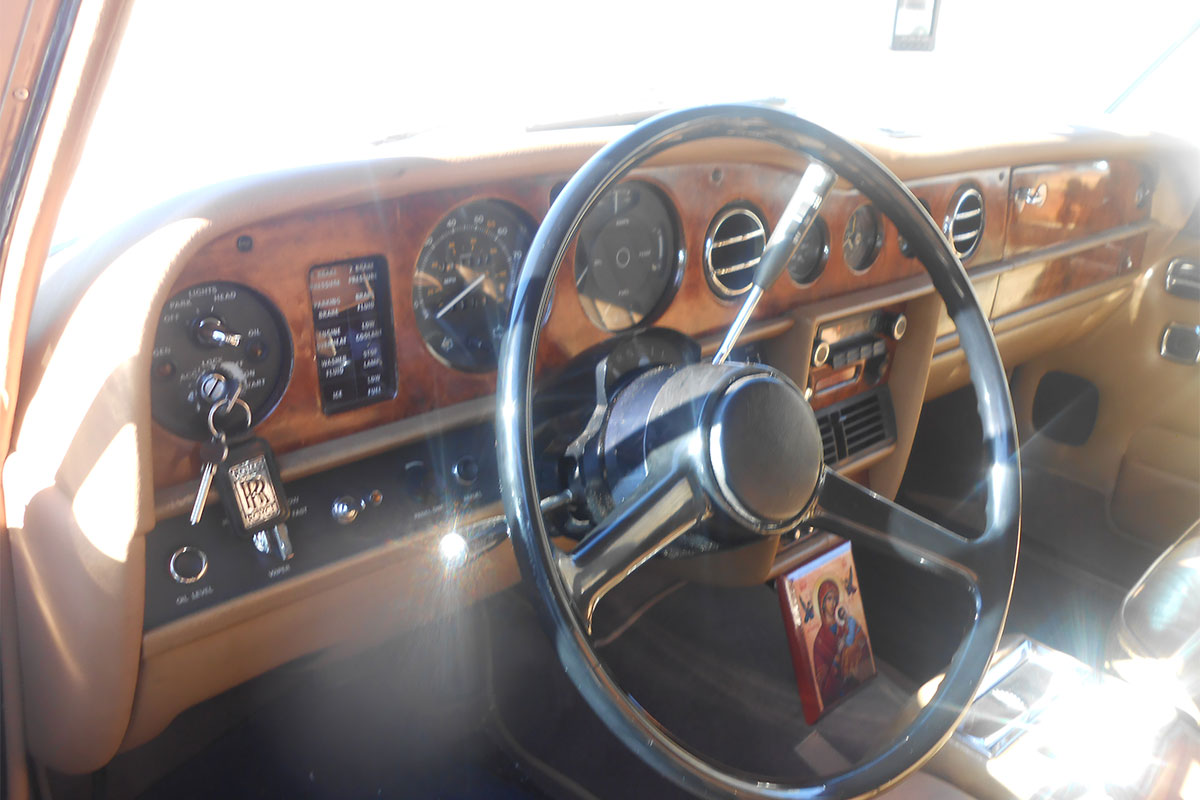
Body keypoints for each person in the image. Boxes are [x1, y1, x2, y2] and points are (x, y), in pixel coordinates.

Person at [810, 578, 870, 706]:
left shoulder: (845, 624)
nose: (833, 603)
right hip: (839, 700)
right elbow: (824, 688)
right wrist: (837, 658)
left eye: (835, 598)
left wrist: (855, 646)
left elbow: (862, 638)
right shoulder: (819, 642)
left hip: (860, 689)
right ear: (822, 602)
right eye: (829, 599)